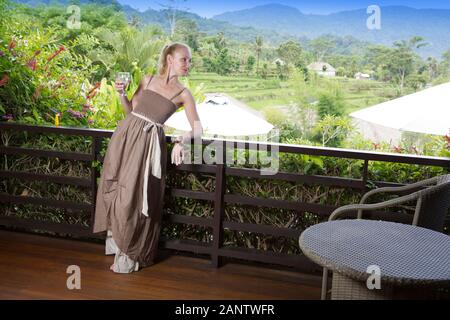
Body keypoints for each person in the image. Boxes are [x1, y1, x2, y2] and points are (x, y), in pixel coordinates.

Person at [93, 42, 203, 273]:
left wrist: (181, 141)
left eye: (189, 60)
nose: (188, 64)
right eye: (184, 59)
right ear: (170, 59)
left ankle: (130, 253)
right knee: (114, 187)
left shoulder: (184, 94)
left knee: (134, 197)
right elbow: (130, 110)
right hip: (124, 137)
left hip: (148, 145)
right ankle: (116, 244)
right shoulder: (147, 79)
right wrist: (121, 94)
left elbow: (198, 129)